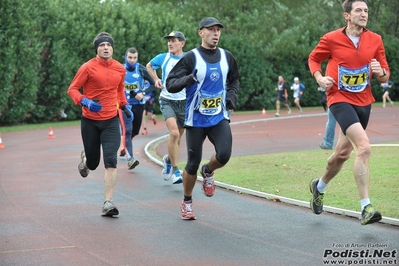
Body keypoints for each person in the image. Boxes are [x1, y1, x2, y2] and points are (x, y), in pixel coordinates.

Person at [308, 0, 390, 225]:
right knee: (363, 148)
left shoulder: (375, 40)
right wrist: (320, 78)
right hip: (339, 99)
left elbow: (384, 75)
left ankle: (319, 186)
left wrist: (380, 71)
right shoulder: (331, 38)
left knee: (342, 154)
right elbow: (314, 58)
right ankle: (366, 207)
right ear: (347, 15)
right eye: (358, 10)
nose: (363, 14)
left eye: (366, 11)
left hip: (364, 102)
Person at [166, 17, 240, 220]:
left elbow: (234, 81)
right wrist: (188, 79)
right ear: (201, 33)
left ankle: (208, 170)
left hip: (218, 117)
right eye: (211, 30)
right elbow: (170, 84)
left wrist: (232, 97)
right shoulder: (191, 58)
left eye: (218, 30)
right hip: (195, 120)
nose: (216, 33)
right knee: (191, 164)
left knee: (224, 155)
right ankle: (187, 201)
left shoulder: (227, 57)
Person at [67, 32, 133, 217]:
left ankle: (108, 202)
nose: (106, 47)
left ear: (112, 48)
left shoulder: (120, 68)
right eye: (102, 45)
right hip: (90, 121)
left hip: (111, 120)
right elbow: (72, 89)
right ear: (97, 48)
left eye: (108, 45)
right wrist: (84, 101)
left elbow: (119, 90)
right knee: (94, 162)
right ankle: (86, 160)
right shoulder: (87, 67)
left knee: (111, 160)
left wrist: (125, 105)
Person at [146, 30, 187, 185]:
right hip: (167, 100)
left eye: (174, 40)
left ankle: (168, 159)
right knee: (174, 134)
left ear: (182, 43)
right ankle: (176, 171)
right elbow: (149, 66)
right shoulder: (164, 57)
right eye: (168, 40)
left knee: (177, 138)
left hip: (184, 102)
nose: (170, 43)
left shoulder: (189, 59)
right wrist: (156, 79)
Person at [120, 48, 156, 170]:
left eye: (134, 58)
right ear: (125, 57)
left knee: (134, 131)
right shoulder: (120, 69)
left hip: (139, 104)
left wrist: (143, 93)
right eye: (130, 57)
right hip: (124, 105)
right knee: (128, 130)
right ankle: (130, 159)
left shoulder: (141, 69)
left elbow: (153, 84)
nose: (132, 60)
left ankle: (125, 143)